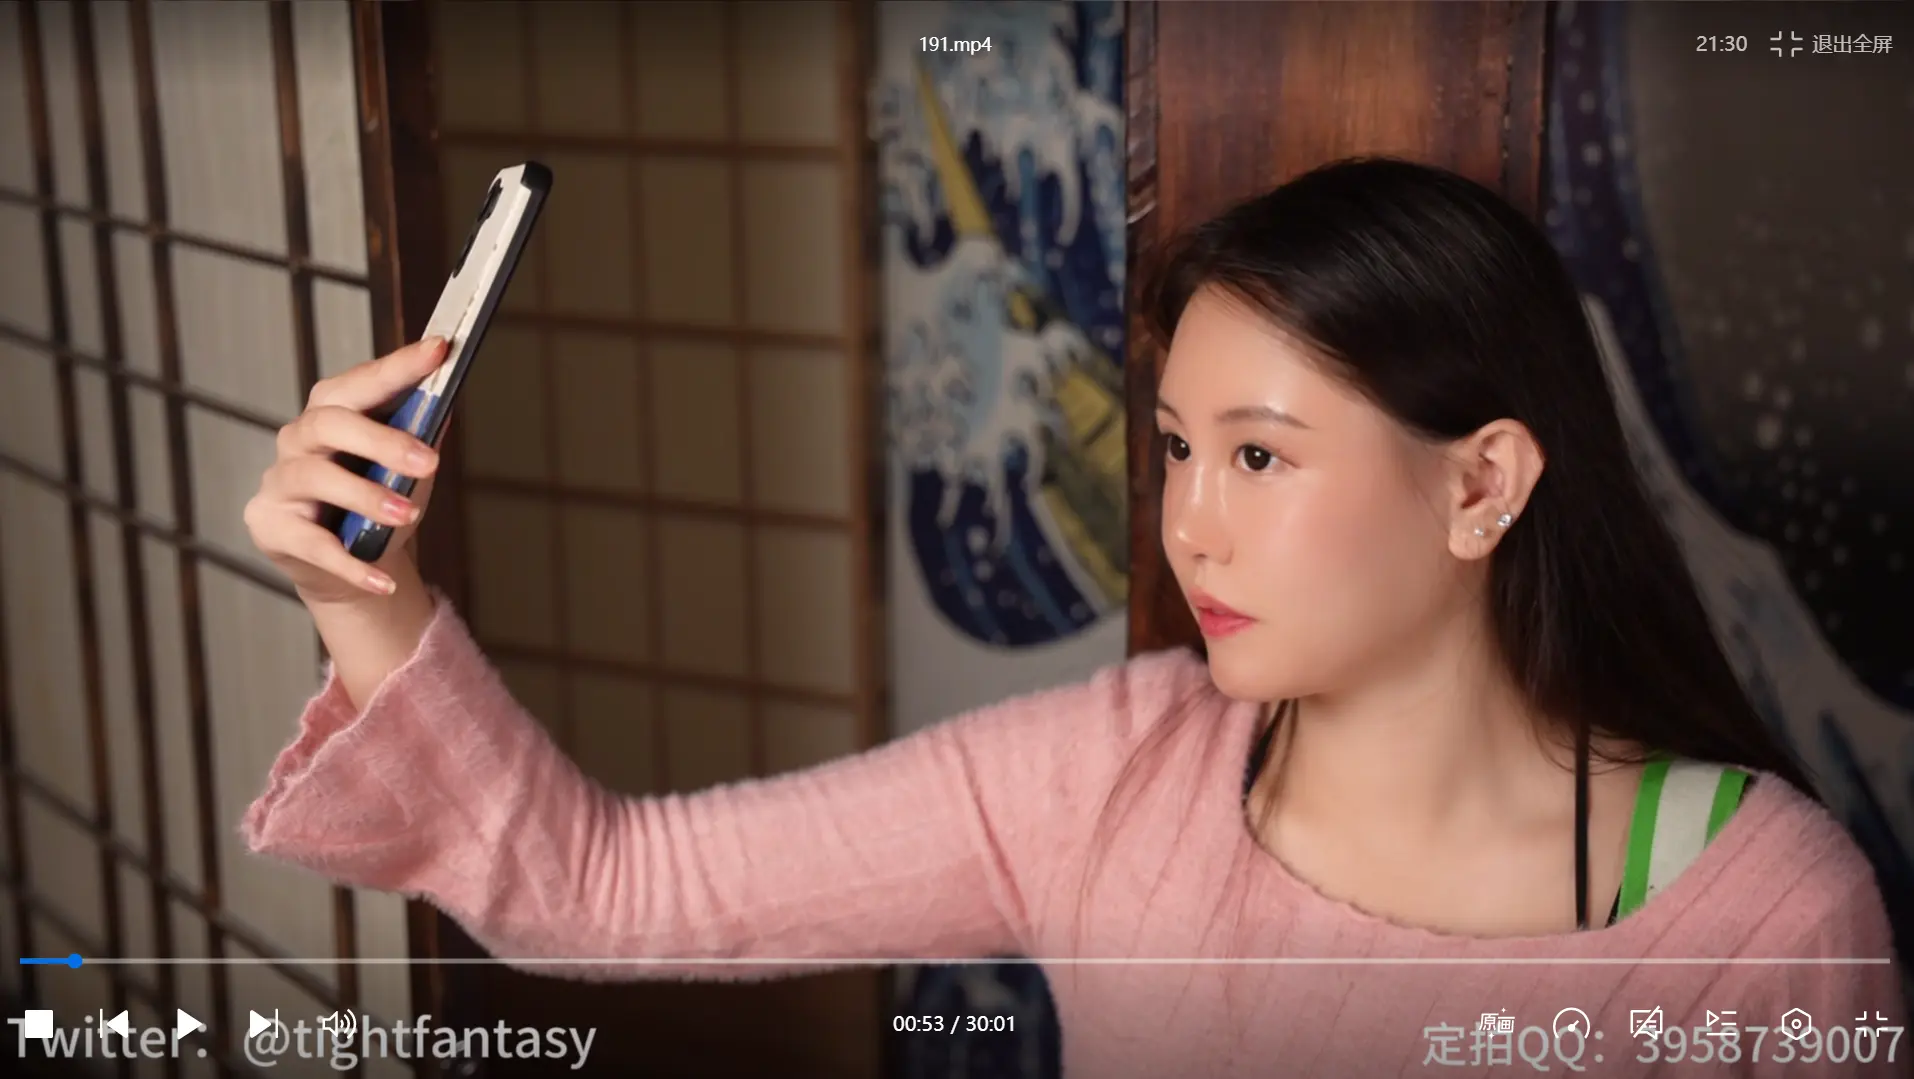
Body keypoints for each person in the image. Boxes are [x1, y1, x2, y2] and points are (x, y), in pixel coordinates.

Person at [242, 158, 1905, 1077]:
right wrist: (358, 593)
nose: (1187, 520)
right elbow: (603, 888)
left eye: (1259, 455)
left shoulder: (1758, 921)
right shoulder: (1113, 772)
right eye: (1177, 447)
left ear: (1480, 485)